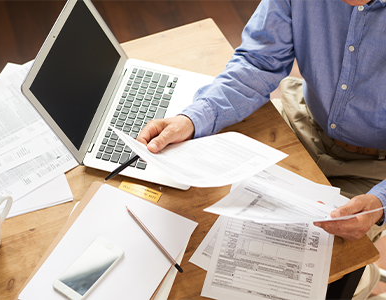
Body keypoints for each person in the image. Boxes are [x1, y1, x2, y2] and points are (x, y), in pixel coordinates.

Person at [137, 1, 386, 297]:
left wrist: (381, 202)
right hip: (305, 119)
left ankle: (365, 282)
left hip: (376, 168)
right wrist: (192, 118)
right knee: (203, 220)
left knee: (318, 272)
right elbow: (257, 63)